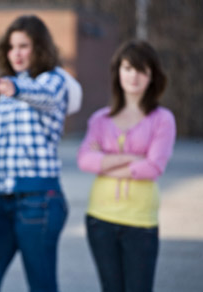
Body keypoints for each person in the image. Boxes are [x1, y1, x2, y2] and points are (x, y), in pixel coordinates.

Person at [0, 15, 83, 292]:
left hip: (39, 201)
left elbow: (44, 95)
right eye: (12, 47)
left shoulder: (55, 80)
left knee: (42, 285)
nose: (16, 53)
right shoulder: (10, 88)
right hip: (1, 199)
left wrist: (18, 88)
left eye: (24, 46)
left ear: (39, 47)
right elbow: (2, 147)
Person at [77, 40, 176, 292]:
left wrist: (104, 162)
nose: (134, 76)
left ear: (152, 75)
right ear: (118, 72)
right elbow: (84, 160)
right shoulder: (100, 119)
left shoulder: (162, 119)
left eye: (142, 70)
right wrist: (131, 159)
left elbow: (154, 168)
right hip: (100, 218)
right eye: (128, 68)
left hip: (140, 221)